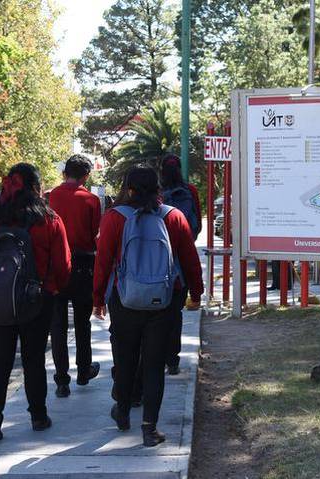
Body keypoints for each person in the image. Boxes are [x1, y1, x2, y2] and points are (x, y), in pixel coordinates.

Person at [93, 166, 203, 447]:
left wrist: (98, 300)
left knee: (125, 359)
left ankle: (122, 412)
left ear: (128, 189)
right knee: (154, 365)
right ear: (158, 189)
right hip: (163, 300)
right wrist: (196, 293)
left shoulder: (114, 218)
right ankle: (149, 429)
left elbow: (103, 262)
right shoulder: (173, 217)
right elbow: (190, 260)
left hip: (124, 299)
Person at [0, 163, 71, 441]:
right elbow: (63, 266)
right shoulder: (49, 220)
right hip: (37, 300)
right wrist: (52, 289)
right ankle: (38, 416)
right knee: (34, 360)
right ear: (36, 188)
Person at [48, 155, 101, 398]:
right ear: (86, 176)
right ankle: (83, 370)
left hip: (57, 265)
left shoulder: (52, 197)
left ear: (64, 173)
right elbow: (94, 235)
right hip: (83, 264)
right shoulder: (91, 200)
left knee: (58, 324)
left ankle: (61, 380)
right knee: (82, 321)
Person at [160, 154, 202, 375]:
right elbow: (197, 225)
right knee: (175, 313)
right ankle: (173, 359)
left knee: (157, 314)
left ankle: (157, 356)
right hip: (181, 261)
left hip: (158, 259)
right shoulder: (190, 190)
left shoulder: (155, 193)